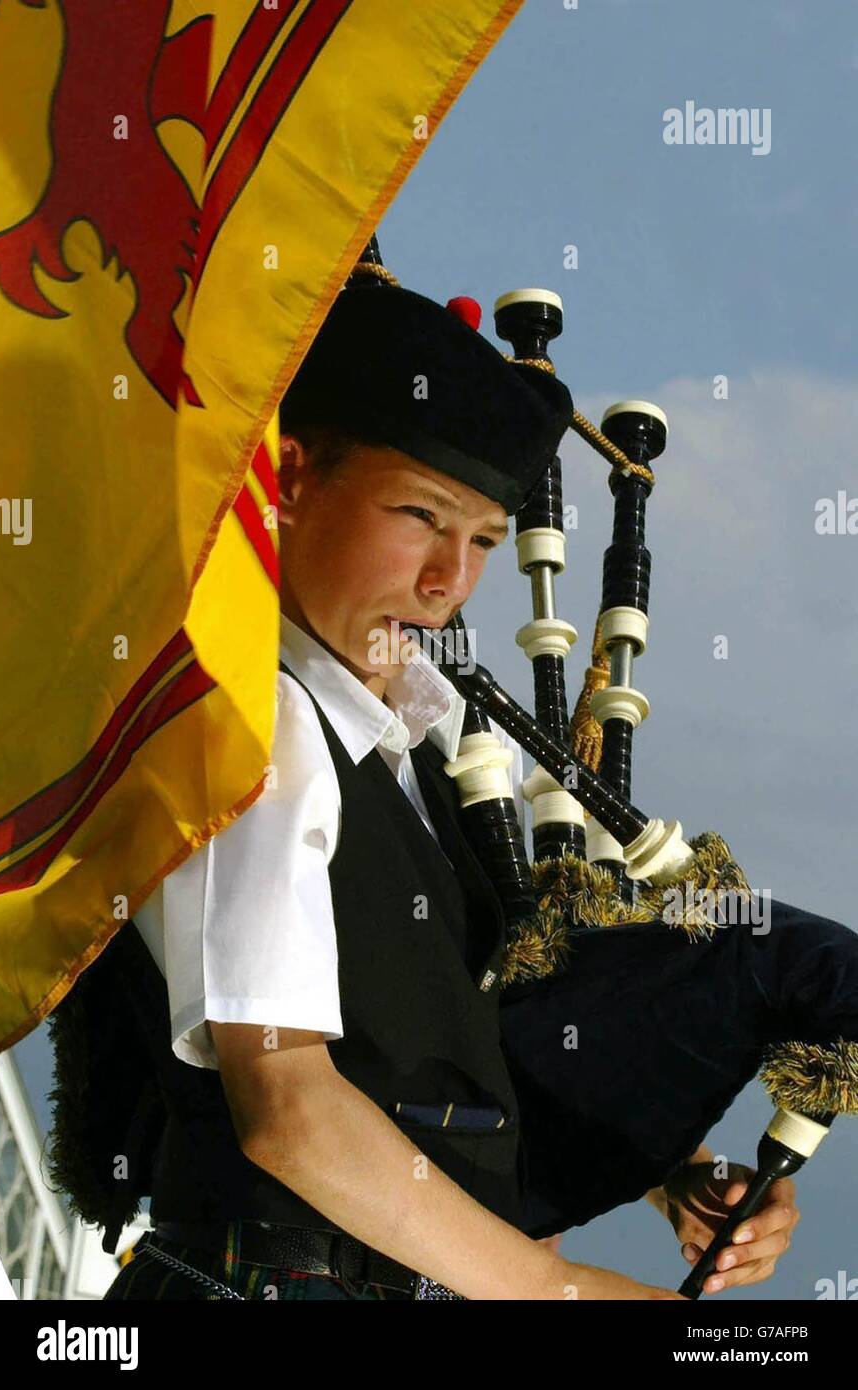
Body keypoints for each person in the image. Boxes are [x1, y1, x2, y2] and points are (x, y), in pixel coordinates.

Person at [95, 275, 798, 1300]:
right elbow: (289, 1110)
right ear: (290, 477)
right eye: (419, 515)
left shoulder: (413, 750)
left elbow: (444, 1052)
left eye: (480, 539)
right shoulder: (257, 723)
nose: (447, 581)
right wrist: (563, 1292)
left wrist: (671, 1172)